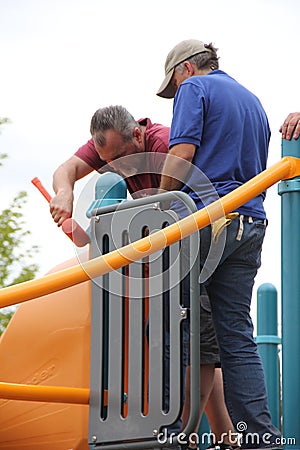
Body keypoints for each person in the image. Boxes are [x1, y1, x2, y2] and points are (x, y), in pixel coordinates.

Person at [51, 105, 238, 449]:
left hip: (197, 253)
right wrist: (65, 192)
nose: (120, 168)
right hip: (161, 264)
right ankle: (223, 437)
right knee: (191, 345)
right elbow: (67, 169)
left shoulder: (166, 143)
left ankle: (187, 434)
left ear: (137, 134)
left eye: (122, 157)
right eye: (110, 164)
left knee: (197, 342)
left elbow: (197, 199)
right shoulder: (112, 146)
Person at [156, 39, 282, 449]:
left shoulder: (195, 89)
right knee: (237, 337)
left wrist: (161, 206)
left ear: (185, 70)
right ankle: (260, 438)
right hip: (251, 222)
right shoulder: (253, 101)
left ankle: (173, 433)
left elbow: (182, 153)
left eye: (173, 87)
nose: (176, 96)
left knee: (172, 323)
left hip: (209, 223)